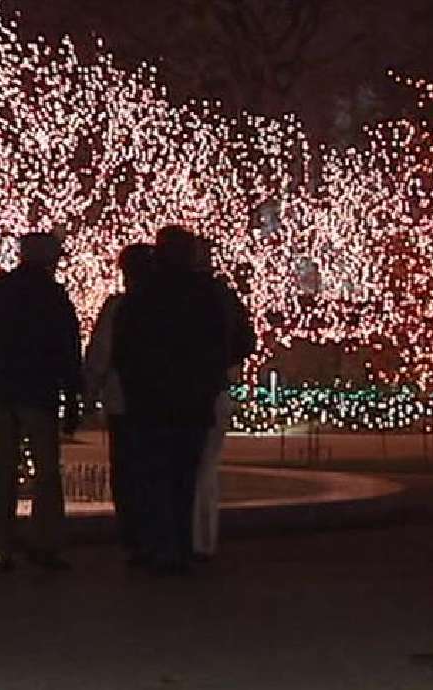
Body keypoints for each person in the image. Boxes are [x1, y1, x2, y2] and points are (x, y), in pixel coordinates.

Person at [0, 233, 82, 572]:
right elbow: (67, 349)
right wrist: (72, 396)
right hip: (38, 392)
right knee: (46, 473)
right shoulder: (53, 296)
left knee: (0, 471)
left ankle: (2, 544)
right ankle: (46, 542)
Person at [113, 225, 229, 575]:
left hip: (149, 400)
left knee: (154, 475)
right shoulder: (207, 293)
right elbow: (231, 339)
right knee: (184, 476)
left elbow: (124, 349)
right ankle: (180, 546)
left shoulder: (141, 296)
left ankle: (156, 546)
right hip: (192, 398)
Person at [83, 243, 156, 558]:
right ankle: (159, 534)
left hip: (124, 400)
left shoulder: (118, 307)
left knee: (126, 470)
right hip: (162, 401)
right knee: (157, 469)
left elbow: (100, 354)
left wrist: (89, 392)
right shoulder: (170, 306)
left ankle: (133, 537)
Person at [190, 237, 256, 560]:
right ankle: (202, 540)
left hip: (177, 390)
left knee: (181, 466)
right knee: (204, 466)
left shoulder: (162, 294)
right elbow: (245, 340)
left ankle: (184, 538)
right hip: (211, 386)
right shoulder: (220, 296)